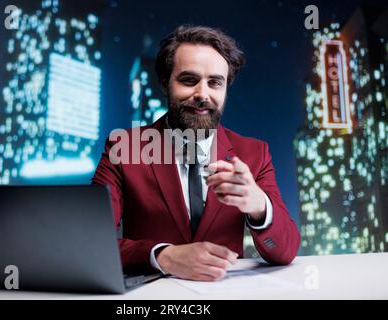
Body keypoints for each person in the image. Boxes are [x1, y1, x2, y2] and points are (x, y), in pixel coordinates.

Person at [92, 25, 300, 281]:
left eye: (215, 83)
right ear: (164, 83)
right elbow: (92, 244)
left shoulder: (255, 153)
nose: (203, 94)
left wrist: (259, 205)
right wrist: (163, 256)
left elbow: (286, 251)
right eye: (189, 80)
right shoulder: (124, 148)